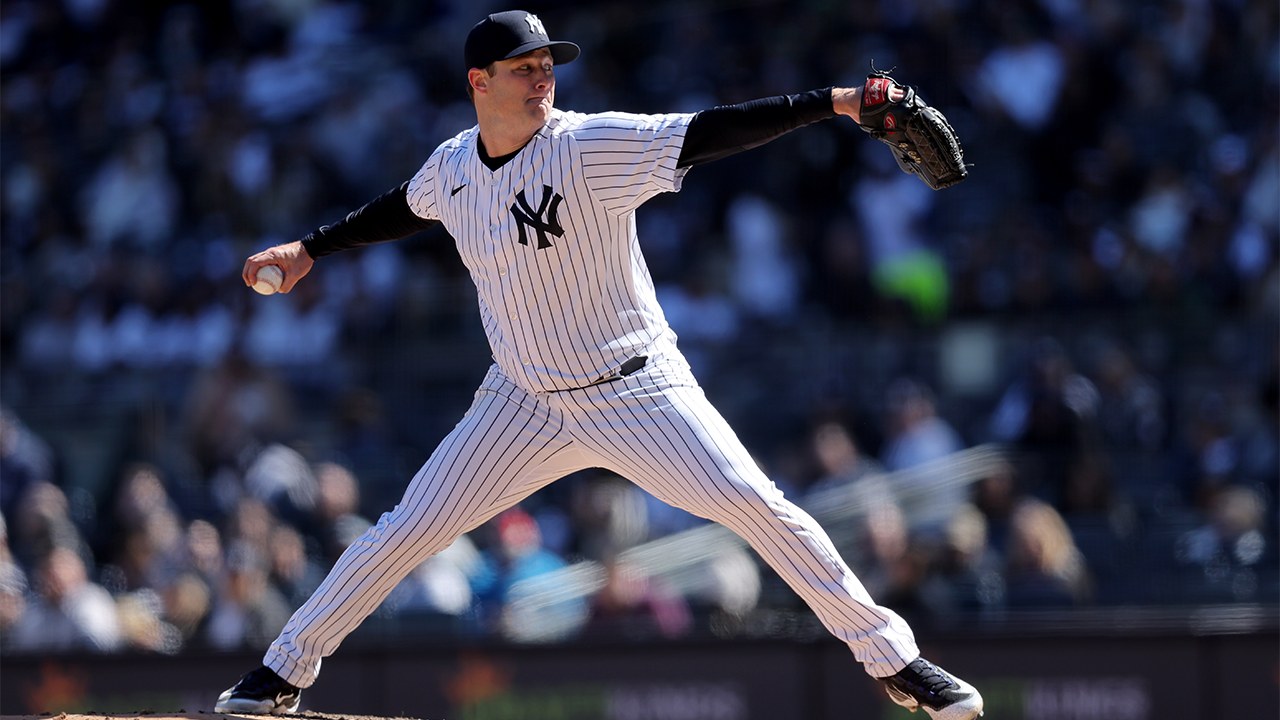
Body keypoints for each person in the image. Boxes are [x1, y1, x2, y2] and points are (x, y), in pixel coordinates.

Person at [215, 11, 983, 720]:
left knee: (760, 507)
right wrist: (309, 249)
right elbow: (398, 209)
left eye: (548, 62)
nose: (543, 75)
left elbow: (710, 132)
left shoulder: (586, 145)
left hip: (638, 390)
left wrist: (839, 101)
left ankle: (897, 659)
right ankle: (283, 669)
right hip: (520, 401)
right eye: (523, 66)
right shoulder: (451, 165)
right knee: (403, 531)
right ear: (478, 82)